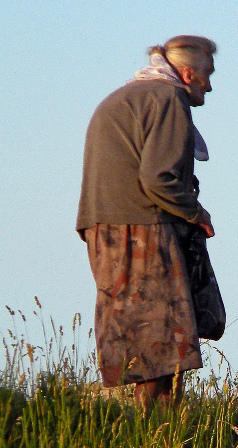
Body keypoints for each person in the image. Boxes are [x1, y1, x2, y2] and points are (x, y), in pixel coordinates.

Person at [77, 35, 217, 409]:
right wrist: (194, 212)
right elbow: (159, 178)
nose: (210, 84)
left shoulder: (129, 97)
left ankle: (146, 437)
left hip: (105, 229)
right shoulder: (168, 98)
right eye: (207, 74)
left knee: (142, 347)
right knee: (166, 349)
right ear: (188, 73)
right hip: (141, 228)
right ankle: (160, 438)